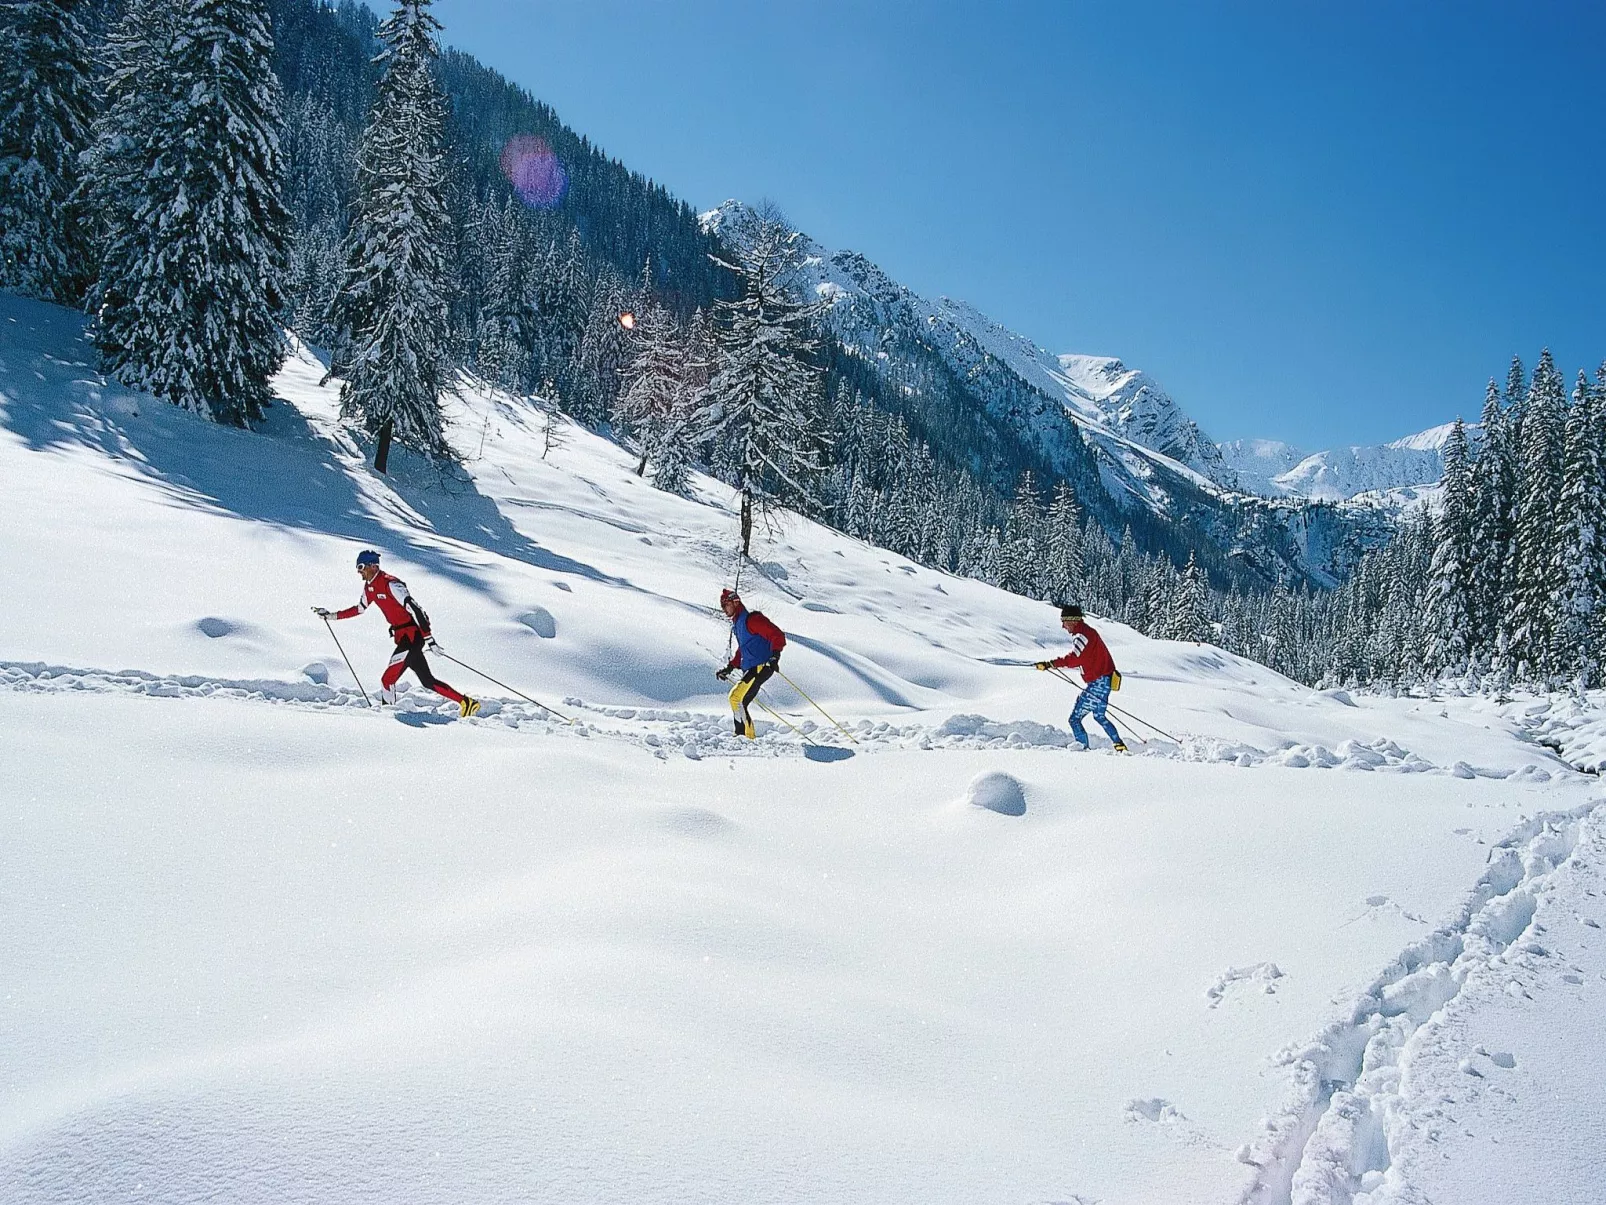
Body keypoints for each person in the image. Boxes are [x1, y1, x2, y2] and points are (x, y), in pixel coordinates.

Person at [314, 549, 480, 717]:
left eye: (361, 567)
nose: (359, 572)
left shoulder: (391, 584)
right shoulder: (369, 587)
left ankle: (387, 718)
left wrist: (429, 639)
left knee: (387, 680)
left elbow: (415, 609)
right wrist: (331, 616)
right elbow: (359, 609)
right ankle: (467, 703)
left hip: (412, 638)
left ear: (373, 566)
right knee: (427, 681)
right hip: (403, 639)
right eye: (358, 568)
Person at [1035, 604, 1126, 752]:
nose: (1063, 626)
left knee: (1074, 719)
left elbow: (1074, 658)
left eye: (1064, 622)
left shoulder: (1082, 635)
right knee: (1099, 716)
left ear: (1073, 621)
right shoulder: (1088, 632)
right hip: (1106, 681)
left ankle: (1082, 750)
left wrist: (1050, 664)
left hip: (1098, 683)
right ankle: (1119, 745)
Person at [715, 588, 786, 739]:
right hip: (752, 667)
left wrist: (775, 656)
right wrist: (730, 667)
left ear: (735, 602)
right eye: (722, 606)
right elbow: (743, 649)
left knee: (736, 698)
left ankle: (743, 737)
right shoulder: (738, 624)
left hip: (761, 666)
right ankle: (745, 736)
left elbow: (777, 634)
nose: (724, 609)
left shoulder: (752, 620)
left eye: (726, 605)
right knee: (738, 700)